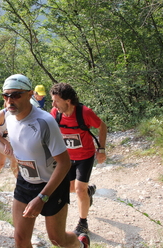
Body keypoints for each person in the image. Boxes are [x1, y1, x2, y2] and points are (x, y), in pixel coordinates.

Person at [2, 74, 90, 248]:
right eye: (6, 96)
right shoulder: (7, 116)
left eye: (16, 95)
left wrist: (42, 197)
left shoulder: (45, 122)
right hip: (25, 183)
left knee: (57, 240)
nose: (10, 100)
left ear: (29, 94)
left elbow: (64, 163)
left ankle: (81, 244)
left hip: (52, 185)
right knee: (20, 239)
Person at [50, 82, 107, 236]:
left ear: (68, 101)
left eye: (56, 101)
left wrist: (101, 149)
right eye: (52, 101)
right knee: (70, 189)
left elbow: (102, 127)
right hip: (66, 159)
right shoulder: (55, 113)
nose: (53, 104)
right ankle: (88, 192)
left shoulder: (85, 113)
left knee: (78, 190)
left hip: (85, 157)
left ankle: (83, 222)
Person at [0, 108, 18, 182]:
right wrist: (6, 143)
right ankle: (19, 182)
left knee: (0, 163)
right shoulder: (1, 115)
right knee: (13, 157)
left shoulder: (20, 112)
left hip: (7, 140)